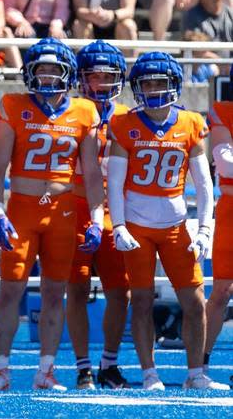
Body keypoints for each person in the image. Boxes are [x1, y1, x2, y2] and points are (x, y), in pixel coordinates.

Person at [0, 38, 103, 392]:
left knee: (54, 291)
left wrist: (96, 217)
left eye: (54, 69)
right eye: (41, 69)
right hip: (21, 208)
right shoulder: (13, 105)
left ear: (68, 74)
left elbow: (92, 172)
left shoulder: (84, 112)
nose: (48, 75)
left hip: (63, 211)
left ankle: (46, 369)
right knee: (10, 289)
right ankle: (1, 369)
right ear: (29, 73)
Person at [108, 53, 228, 390]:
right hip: (137, 224)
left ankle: (195, 374)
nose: (154, 88)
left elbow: (205, 185)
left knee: (194, 300)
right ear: (137, 87)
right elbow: (115, 183)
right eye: (147, 83)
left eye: (160, 82)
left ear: (173, 84)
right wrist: (118, 226)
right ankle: (149, 373)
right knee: (142, 300)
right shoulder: (123, 124)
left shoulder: (190, 123)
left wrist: (205, 229)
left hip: (175, 223)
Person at [68, 41, 132, 390]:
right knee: (75, 289)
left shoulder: (126, 117)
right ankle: (83, 368)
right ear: (81, 78)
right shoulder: (73, 111)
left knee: (120, 292)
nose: (102, 82)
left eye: (109, 75)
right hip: (76, 207)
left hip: (113, 210)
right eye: (94, 75)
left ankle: (108, 363)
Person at [205, 92, 233, 371]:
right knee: (222, 291)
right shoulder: (223, 111)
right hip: (231, 211)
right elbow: (225, 163)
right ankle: (198, 362)